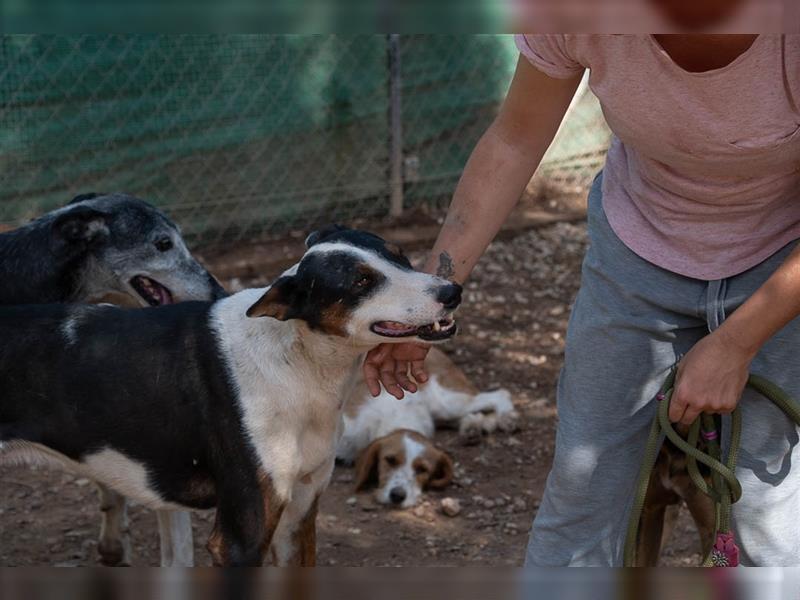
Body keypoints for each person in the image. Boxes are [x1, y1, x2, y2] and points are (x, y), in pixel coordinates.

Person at [363, 26, 800, 566]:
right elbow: (514, 140)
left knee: (766, 506)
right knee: (584, 488)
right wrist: (428, 304)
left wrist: (738, 343)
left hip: (784, 260)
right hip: (639, 245)